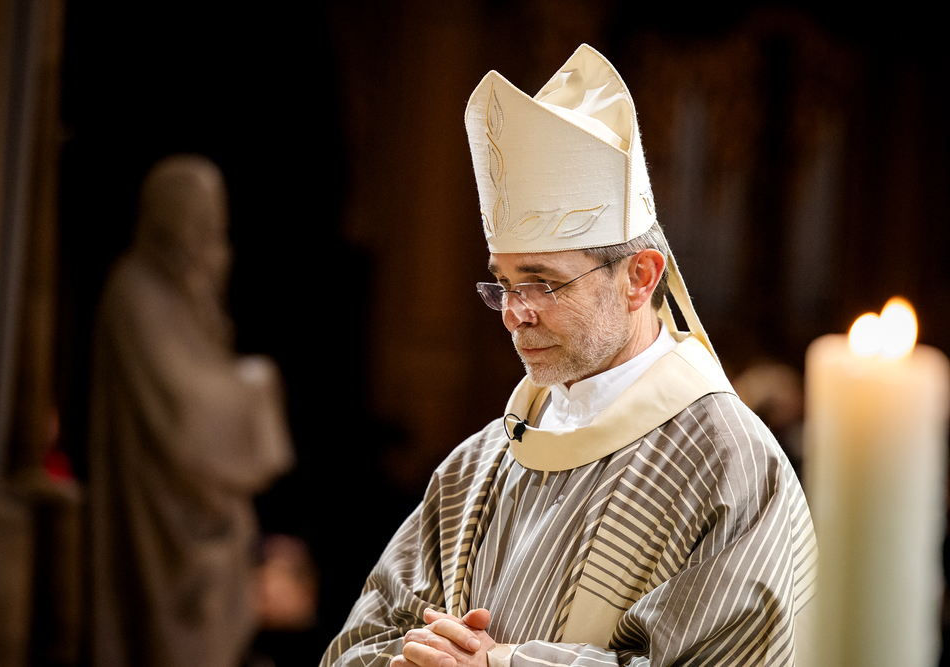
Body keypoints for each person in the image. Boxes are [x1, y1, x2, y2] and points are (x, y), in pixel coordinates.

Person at [321, 45, 816, 667]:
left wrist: (500, 664)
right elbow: (356, 646)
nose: (513, 313)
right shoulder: (477, 467)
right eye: (503, 283)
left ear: (639, 277)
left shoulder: (729, 466)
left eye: (542, 282)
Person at [88, 155, 293, 667]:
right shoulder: (136, 291)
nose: (211, 241)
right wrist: (254, 388)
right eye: (201, 224)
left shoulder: (181, 291)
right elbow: (183, 411)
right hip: (158, 508)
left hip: (199, 511)